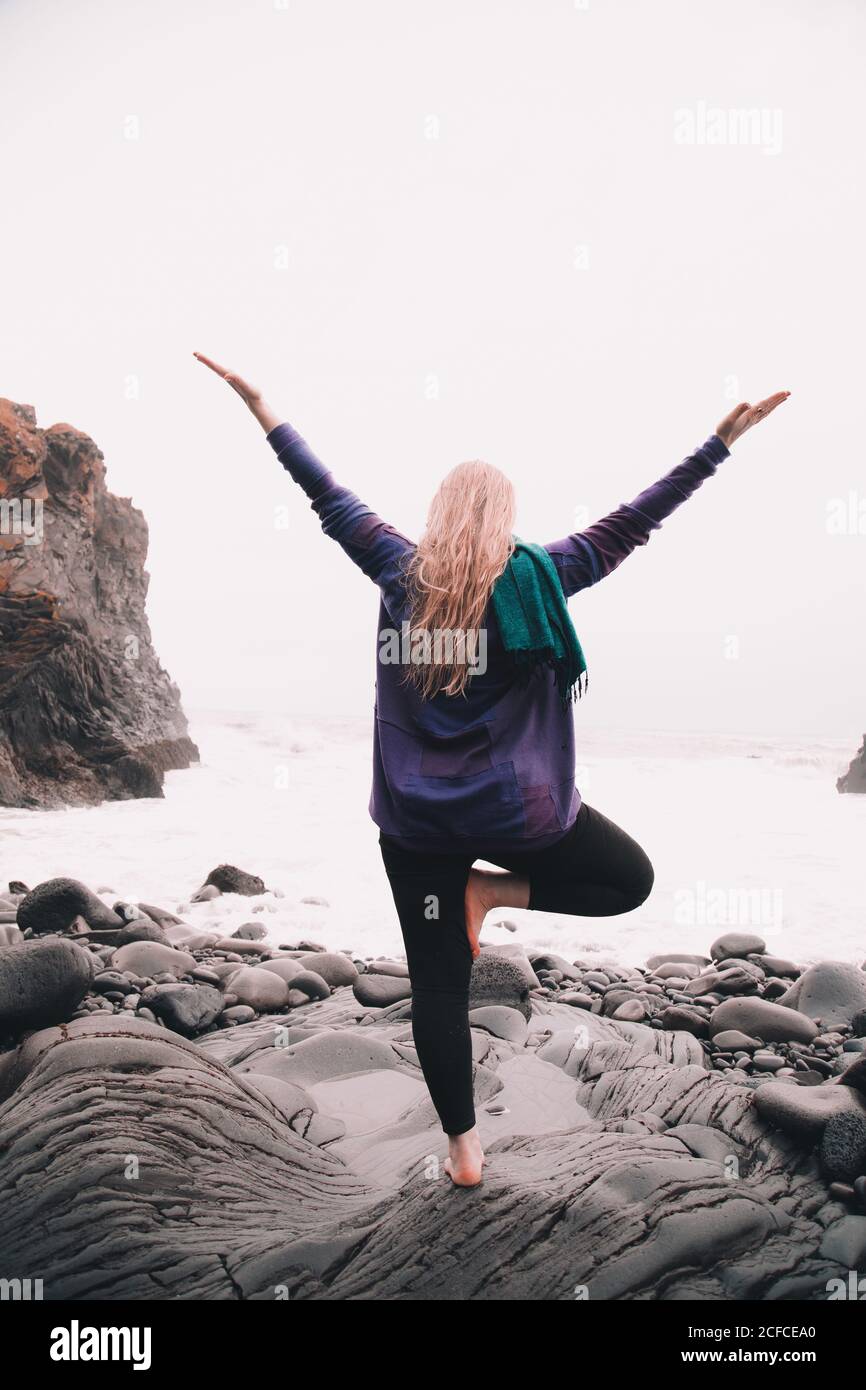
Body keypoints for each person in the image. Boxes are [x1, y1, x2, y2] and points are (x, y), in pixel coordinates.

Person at [195, 351, 789, 1186]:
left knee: (439, 986)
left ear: (439, 513)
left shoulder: (399, 568)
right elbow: (634, 520)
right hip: (523, 820)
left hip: (417, 828)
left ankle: (464, 1154)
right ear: (505, 515)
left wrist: (263, 408)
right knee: (630, 880)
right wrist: (716, 445)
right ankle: (497, 891)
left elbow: (326, 496)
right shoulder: (544, 577)